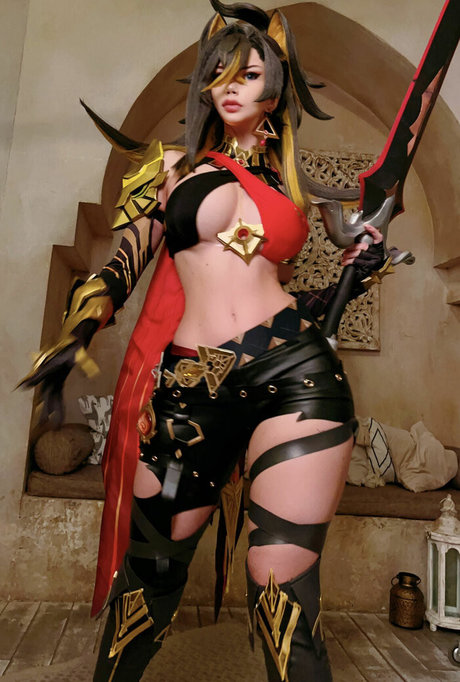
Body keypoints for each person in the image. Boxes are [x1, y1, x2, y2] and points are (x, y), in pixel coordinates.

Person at [20, 2, 386, 680]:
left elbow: (283, 299)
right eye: (219, 72)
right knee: (152, 576)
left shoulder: (289, 189)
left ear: (274, 87)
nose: (230, 85)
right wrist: (77, 332)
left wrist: (354, 273)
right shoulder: (171, 169)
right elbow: (123, 262)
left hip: (297, 371)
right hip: (194, 386)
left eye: (249, 73)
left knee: (282, 590)